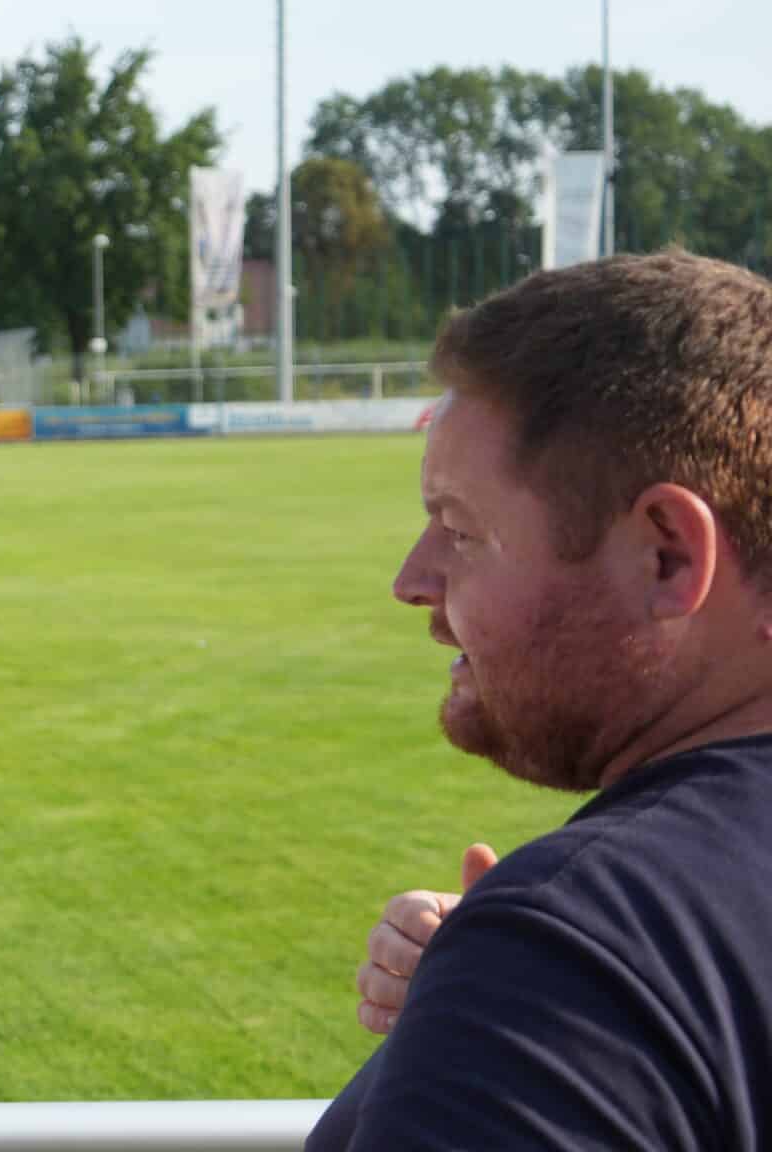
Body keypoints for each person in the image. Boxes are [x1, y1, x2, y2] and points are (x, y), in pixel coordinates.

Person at [307, 249, 772, 1150]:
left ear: (667, 555)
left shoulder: (574, 964)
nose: (413, 580)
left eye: (458, 529)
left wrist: (532, 1003)